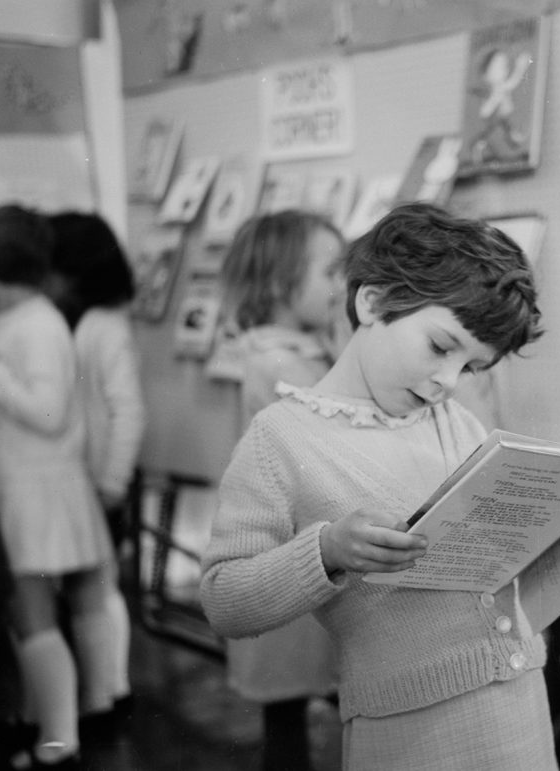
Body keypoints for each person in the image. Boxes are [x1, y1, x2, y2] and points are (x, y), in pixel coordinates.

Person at [201, 202, 560, 771]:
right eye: (441, 346)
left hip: (519, 716)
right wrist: (324, 552)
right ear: (372, 302)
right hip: (409, 735)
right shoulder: (280, 438)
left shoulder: (456, 423)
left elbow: (504, 557)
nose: (448, 383)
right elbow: (223, 597)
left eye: (472, 368)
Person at [216, 209, 347, 771]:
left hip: (302, 550)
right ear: (278, 284)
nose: (341, 286)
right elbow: (332, 427)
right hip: (288, 560)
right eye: (330, 272)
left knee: (302, 699)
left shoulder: (300, 349)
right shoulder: (277, 360)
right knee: (297, 705)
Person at [0, 205, 119, 769]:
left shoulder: (36, 324)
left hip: (38, 490)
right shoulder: (32, 320)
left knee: (35, 617)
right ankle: (78, 714)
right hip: (37, 486)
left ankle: (59, 740)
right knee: (69, 606)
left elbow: (47, 412)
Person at [45, 211, 146, 740]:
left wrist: (112, 481)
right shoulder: (89, 322)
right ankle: (105, 689)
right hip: (86, 481)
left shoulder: (103, 327)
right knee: (95, 588)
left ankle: (112, 690)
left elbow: (127, 410)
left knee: (101, 588)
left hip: (101, 484)